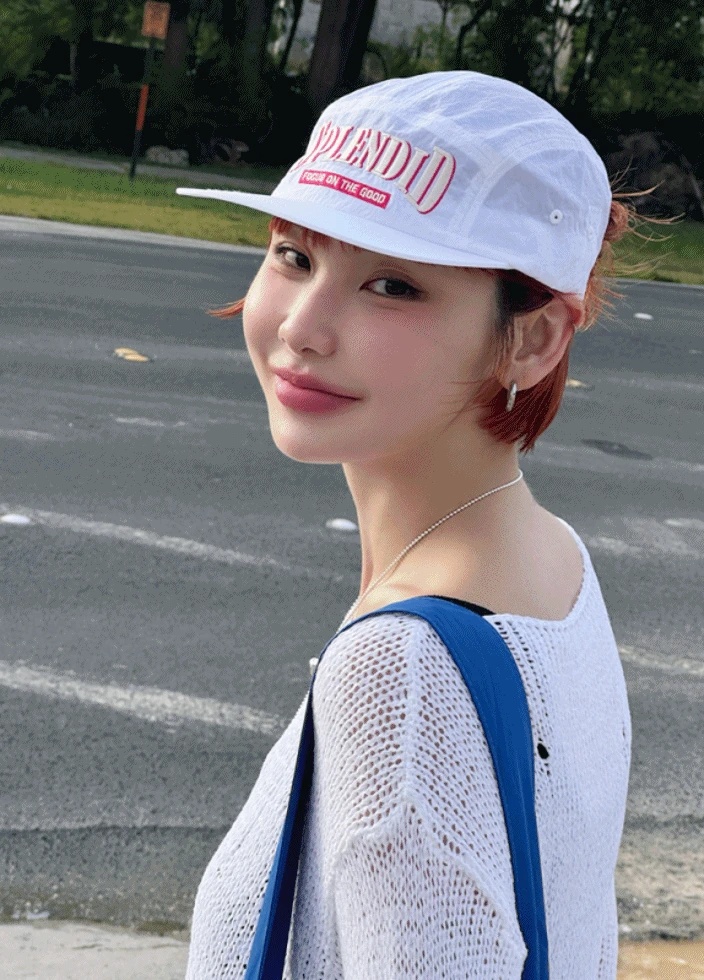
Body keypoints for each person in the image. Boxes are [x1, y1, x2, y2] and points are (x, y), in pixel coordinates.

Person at [177, 70, 633, 979]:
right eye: (293, 256)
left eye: (391, 284)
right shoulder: (552, 561)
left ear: (534, 338)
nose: (303, 327)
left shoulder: (404, 671)